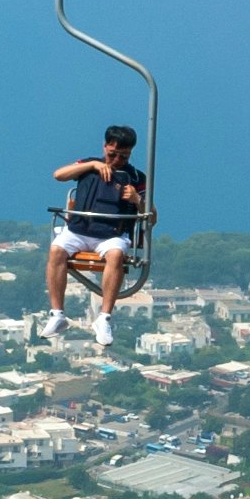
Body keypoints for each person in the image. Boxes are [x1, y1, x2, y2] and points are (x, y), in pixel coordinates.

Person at [40, 124, 154, 350]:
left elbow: (152, 216)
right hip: (78, 230)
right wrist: (93, 165)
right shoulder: (89, 165)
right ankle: (57, 314)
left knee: (115, 255)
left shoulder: (135, 177)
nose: (117, 160)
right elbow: (58, 175)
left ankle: (104, 318)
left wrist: (137, 200)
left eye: (123, 156)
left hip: (111, 234)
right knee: (56, 250)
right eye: (113, 154)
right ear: (105, 147)